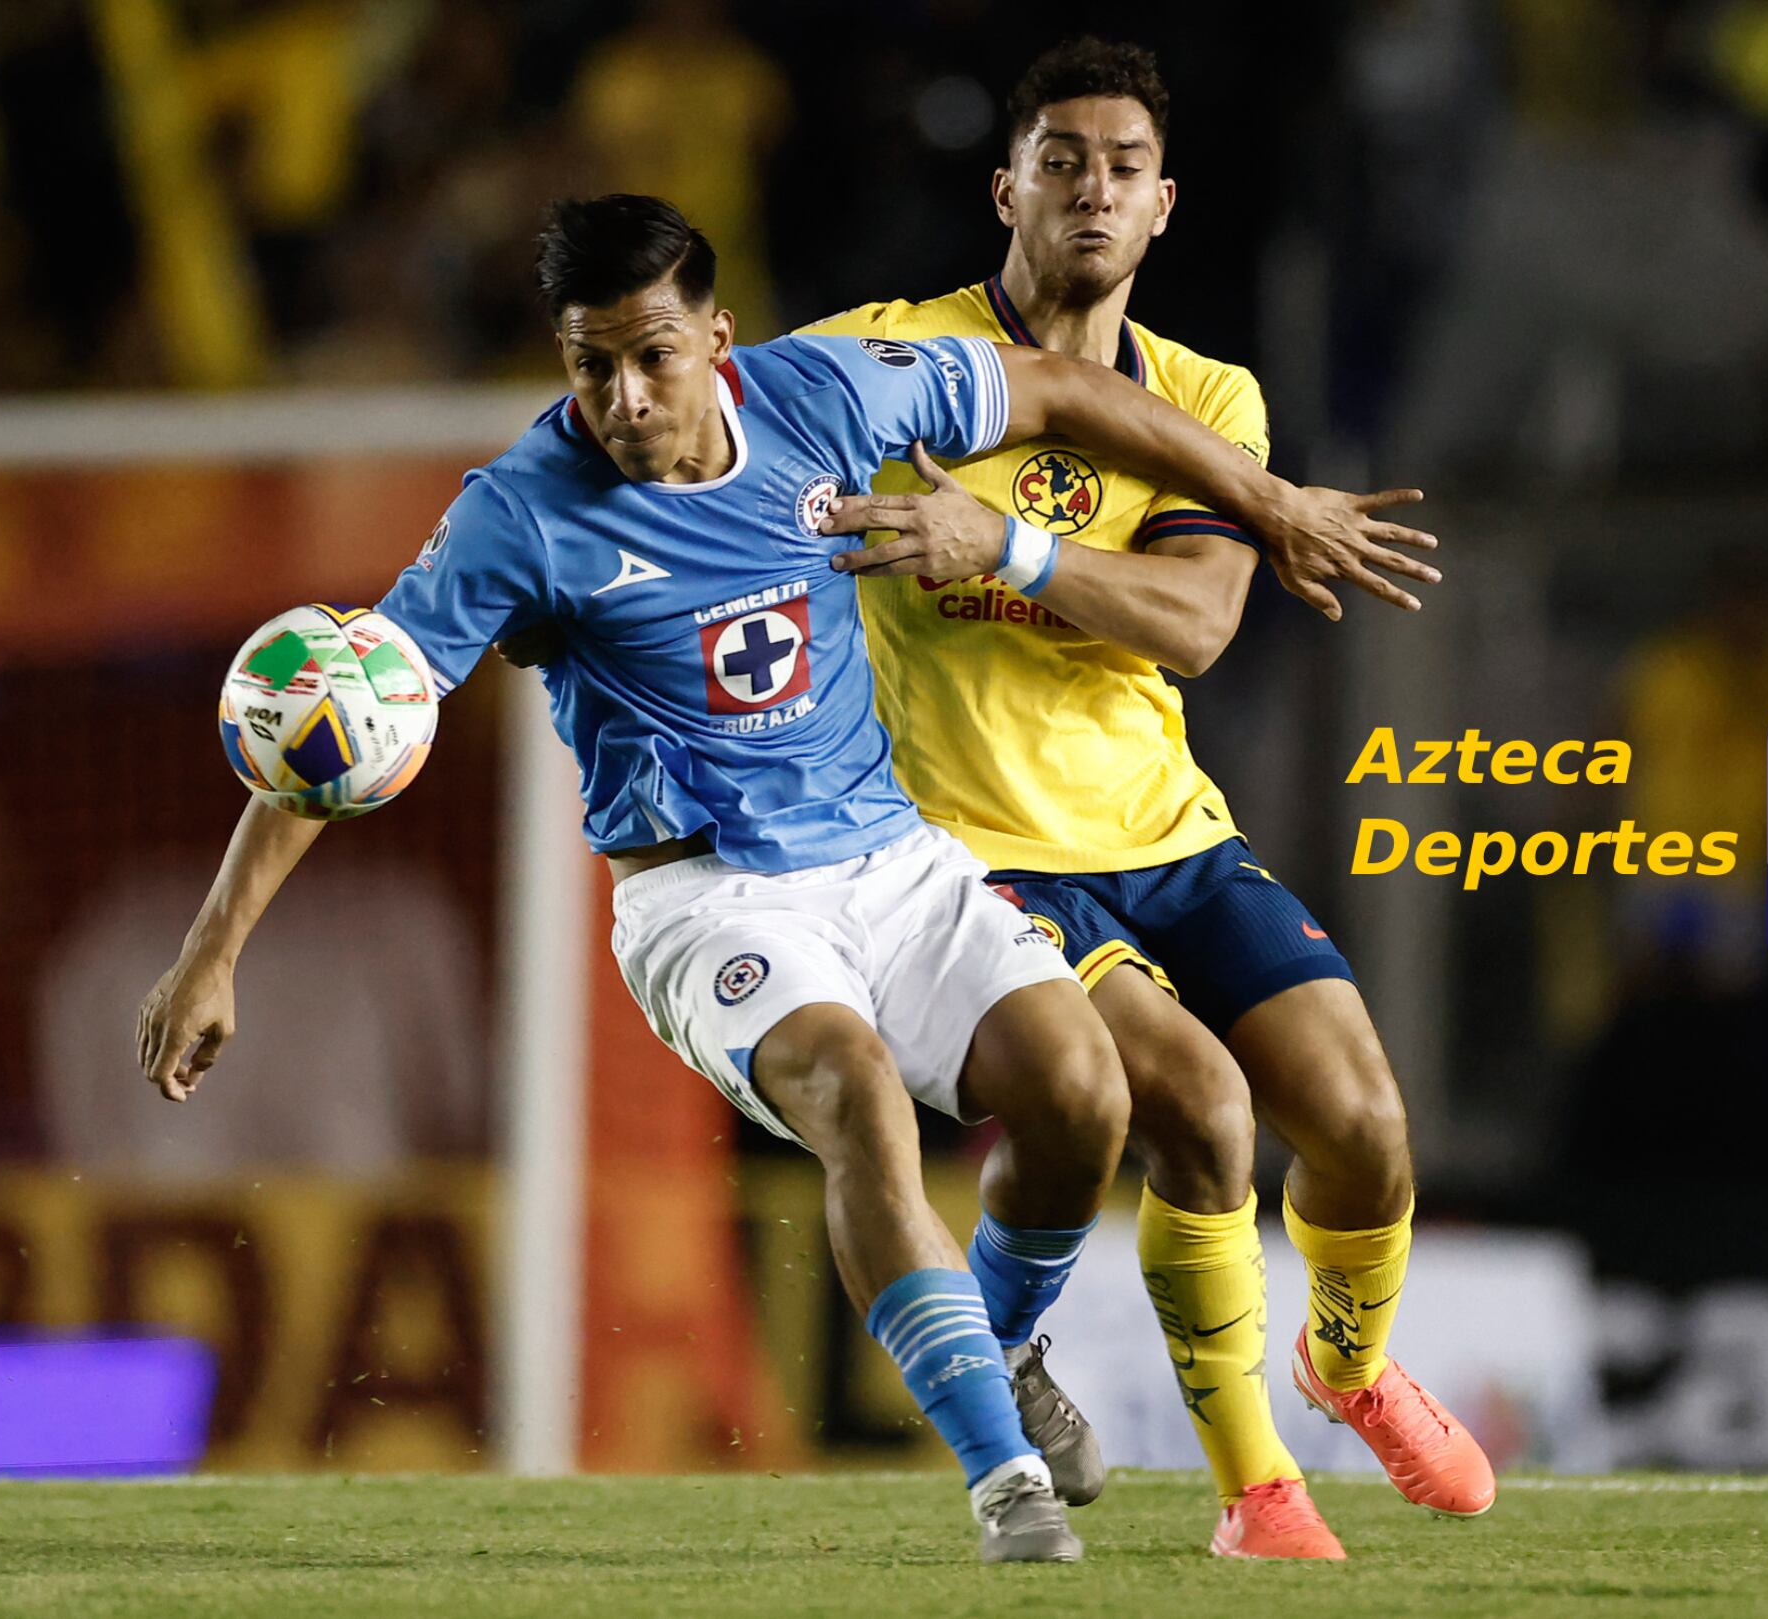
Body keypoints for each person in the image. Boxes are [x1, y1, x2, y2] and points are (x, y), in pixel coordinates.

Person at [135, 193, 1414, 1563]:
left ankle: (997, 1343)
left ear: (718, 340)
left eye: (652, 357)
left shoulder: (822, 392)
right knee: (858, 1093)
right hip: (709, 900)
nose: (623, 398)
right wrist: (215, 949)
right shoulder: (517, 515)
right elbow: (349, 721)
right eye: (589, 365)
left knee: (1082, 1095)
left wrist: (1266, 500)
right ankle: (1005, 1487)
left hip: (891, 859)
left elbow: (1052, 387)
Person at [800, 38, 1493, 1559]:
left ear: (1165, 205)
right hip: (973, 856)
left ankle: (1349, 1367)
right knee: (1202, 1108)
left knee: (1367, 1123)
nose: (1090, 192)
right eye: (1060, 162)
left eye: (1122, 168)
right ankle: (1257, 1492)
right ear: (1007, 186)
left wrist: (1010, 554)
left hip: (1168, 834)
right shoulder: (887, 357)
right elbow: (746, 458)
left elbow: (1193, 623)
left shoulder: (1203, 394)